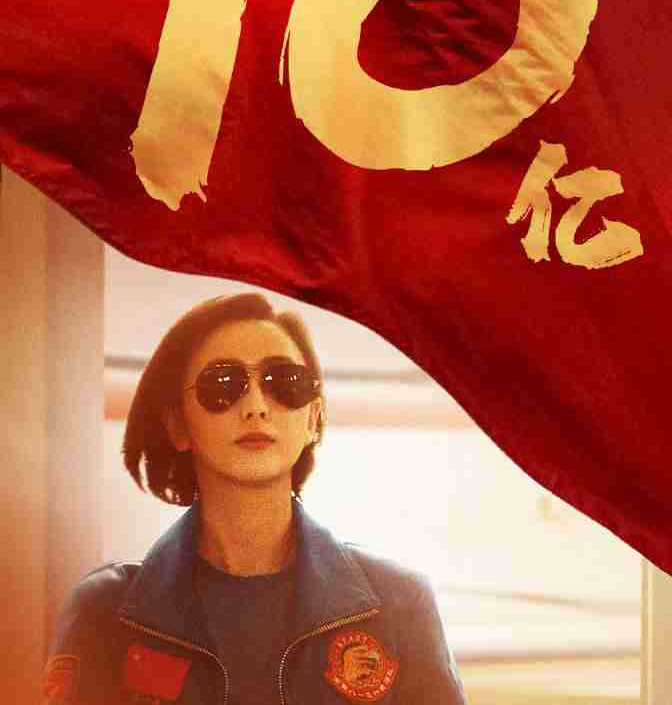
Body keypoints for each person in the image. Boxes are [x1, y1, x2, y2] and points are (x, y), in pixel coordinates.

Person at [44, 292, 468, 703]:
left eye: (285, 382)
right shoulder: (106, 612)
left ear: (313, 419)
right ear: (178, 425)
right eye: (223, 384)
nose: (256, 406)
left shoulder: (399, 603)